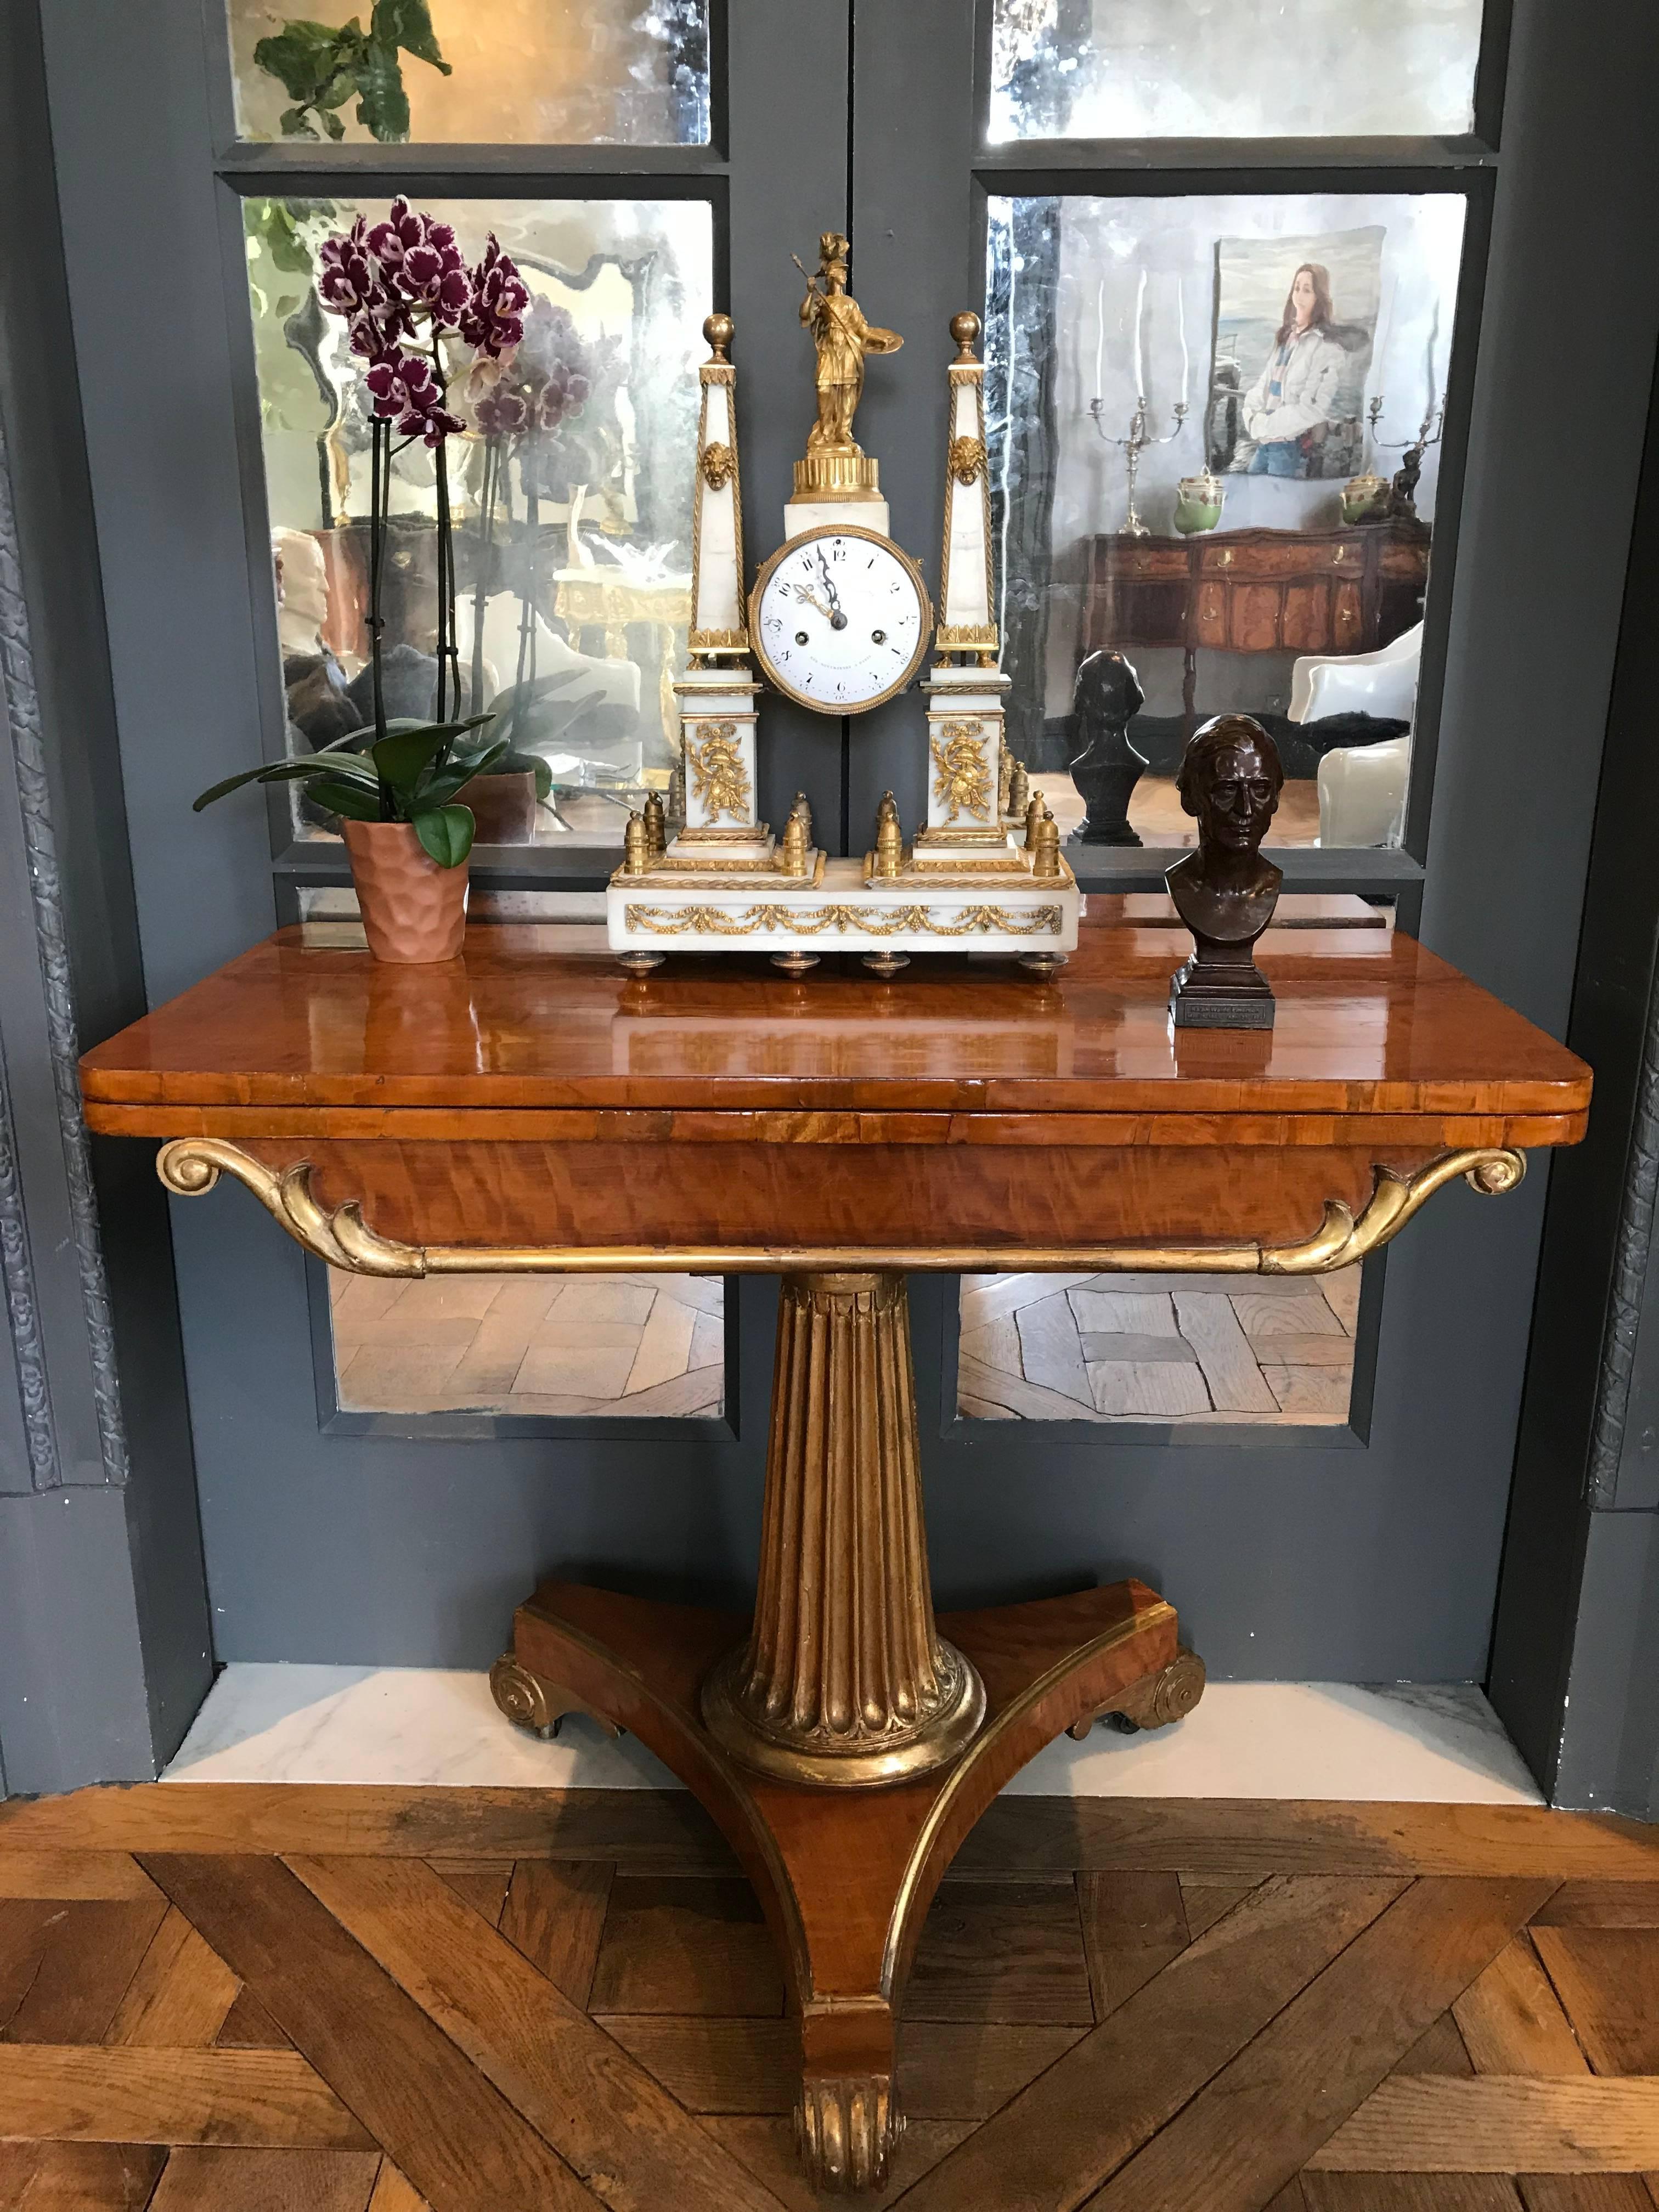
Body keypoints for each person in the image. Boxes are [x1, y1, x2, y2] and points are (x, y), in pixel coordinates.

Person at [1240, 262, 1346, 479]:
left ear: (1320, 297)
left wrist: (1266, 426)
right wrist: (1252, 418)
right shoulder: (1287, 338)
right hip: (1264, 444)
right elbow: (1263, 385)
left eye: (1307, 290)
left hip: (1288, 448)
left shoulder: (1326, 347)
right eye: (1297, 288)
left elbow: (1313, 409)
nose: (1299, 295)